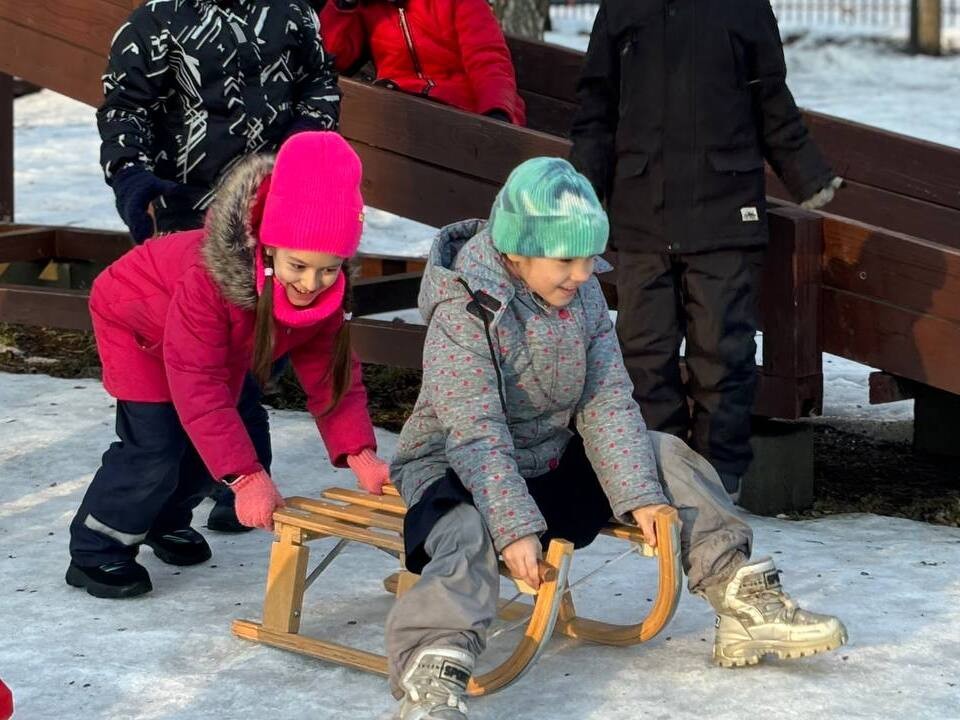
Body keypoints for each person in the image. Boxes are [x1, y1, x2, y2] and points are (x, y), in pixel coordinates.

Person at [386, 158, 846, 719]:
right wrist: (513, 530)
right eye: (567, 259)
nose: (584, 275)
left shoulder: (577, 299)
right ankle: (432, 670)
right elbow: (475, 433)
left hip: (547, 459)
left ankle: (738, 595)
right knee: (463, 534)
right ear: (518, 248)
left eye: (588, 259)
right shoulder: (465, 312)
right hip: (456, 467)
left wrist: (642, 494)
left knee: (663, 454)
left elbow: (605, 400)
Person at [66, 133, 391, 599]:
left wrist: (359, 452)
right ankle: (99, 549)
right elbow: (198, 386)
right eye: (298, 266)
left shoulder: (322, 298)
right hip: (137, 322)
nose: (312, 283)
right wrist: (248, 478)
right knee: (155, 444)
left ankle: (166, 521)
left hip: (215, 348)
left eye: (329, 269)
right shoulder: (210, 282)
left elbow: (331, 375)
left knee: (211, 448)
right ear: (271, 246)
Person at [570, 0, 843, 500]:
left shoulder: (744, 8)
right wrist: (583, 188)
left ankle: (719, 482)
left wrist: (808, 175)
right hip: (641, 208)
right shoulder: (622, 9)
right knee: (644, 352)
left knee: (723, 351)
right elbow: (596, 107)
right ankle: (657, 474)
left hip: (725, 209)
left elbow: (771, 98)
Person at [97, 0, 343, 528]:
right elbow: (124, 110)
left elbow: (319, 82)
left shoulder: (291, 14)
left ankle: (238, 478)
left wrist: (302, 150)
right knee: (199, 356)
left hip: (272, 208)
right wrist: (135, 181)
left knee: (252, 351)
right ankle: (202, 483)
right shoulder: (157, 21)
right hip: (185, 203)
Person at [320, 0, 526, 125]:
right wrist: (343, 6)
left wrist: (497, 113)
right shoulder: (369, 7)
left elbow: (488, 58)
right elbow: (333, 59)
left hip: (461, 110)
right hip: (397, 109)